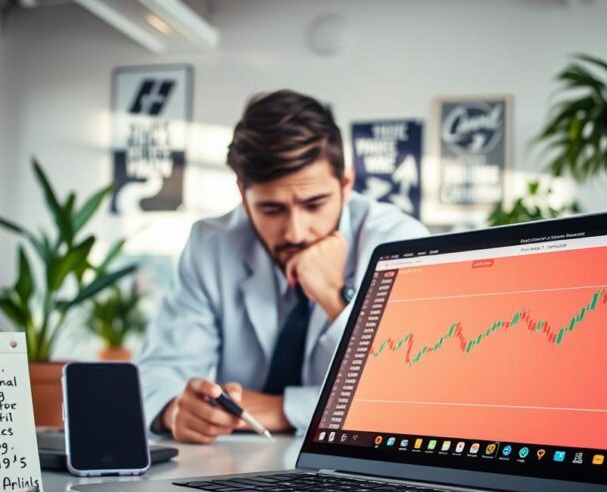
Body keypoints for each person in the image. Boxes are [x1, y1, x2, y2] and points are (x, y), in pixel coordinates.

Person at [139, 89, 428, 444]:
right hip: (236, 463)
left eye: (315, 203)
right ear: (243, 197)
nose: (295, 231)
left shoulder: (398, 241)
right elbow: (159, 369)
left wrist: (333, 297)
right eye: (271, 209)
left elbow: (408, 391)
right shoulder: (210, 244)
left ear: (346, 184)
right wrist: (173, 409)